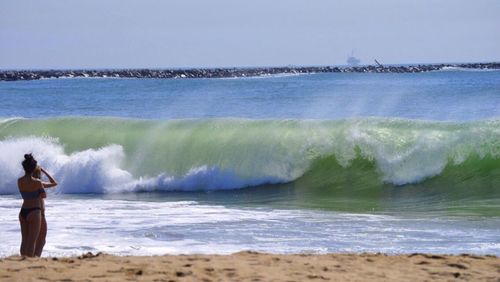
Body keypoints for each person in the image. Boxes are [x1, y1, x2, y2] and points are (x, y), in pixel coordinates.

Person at [18, 154, 57, 257]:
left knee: (24, 240)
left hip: (23, 211)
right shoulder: (38, 182)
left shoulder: (19, 181)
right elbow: (43, 195)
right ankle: (30, 263)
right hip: (34, 211)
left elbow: (26, 193)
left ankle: (23, 261)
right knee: (32, 241)